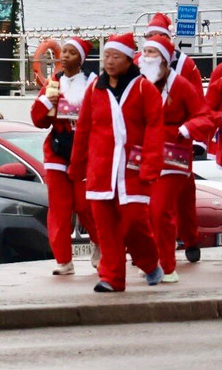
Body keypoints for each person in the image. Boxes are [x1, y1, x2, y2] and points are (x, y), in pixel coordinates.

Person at [68, 32, 164, 292]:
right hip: (100, 170)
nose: (109, 62)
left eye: (116, 57)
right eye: (107, 56)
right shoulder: (94, 90)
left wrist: (151, 164)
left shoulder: (144, 89)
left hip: (133, 170)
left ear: (129, 59)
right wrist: (76, 165)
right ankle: (111, 278)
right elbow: (84, 129)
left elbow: (155, 128)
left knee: (134, 222)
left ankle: (149, 262)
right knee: (106, 228)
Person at [140, 35, 213, 283]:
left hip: (174, 155)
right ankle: (153, 258)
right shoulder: (139, 83)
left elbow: (204, 115)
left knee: (162, 209)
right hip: (145, 154)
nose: (145, 56)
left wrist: (185, 130)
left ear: (163, 58)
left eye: (151, 52)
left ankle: (167, 265)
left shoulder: (181, 85)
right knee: (147, 209)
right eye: (144, 50)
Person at [30, 37, 99, 276]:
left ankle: (99, 243)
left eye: (71, 52)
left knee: (84, 204)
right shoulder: (53, 83)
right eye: (64, 52)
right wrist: (45, 102)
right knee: (59, 208)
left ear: (81, 58)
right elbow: (39, 120)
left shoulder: (93, 83)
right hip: (58, 150)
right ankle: (63, 259)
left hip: (85, 152)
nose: (65, 56)